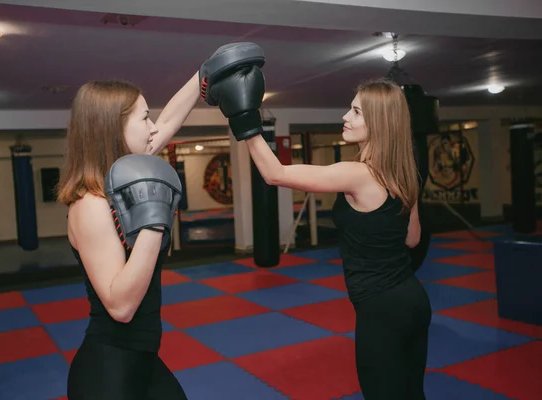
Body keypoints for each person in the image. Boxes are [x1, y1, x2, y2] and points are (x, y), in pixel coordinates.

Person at [204, 65, 432, 399]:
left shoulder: (357, 174)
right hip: (412, 300)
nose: (345, 116)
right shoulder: (405, 175)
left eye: (355, 111)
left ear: (379, 123)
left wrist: (243, 118)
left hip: (380, 309)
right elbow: (412, 239)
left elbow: (275, 174)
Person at [55, 75, 199, 399]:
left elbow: (168, 124)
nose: (153, 128)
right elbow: (121, 307)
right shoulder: (90, 205)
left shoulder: (127, 182)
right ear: (113, 128)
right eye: (145, 117)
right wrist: (153, 222)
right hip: (108, 373)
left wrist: (203, 76)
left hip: (144, 362)